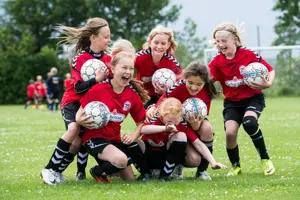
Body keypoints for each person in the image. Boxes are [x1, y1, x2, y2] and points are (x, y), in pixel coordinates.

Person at [40, 17, 111, 185]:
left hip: (90, 104)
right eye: (106, 36)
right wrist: (96, 79)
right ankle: (49, 169)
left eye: (110, 36)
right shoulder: (79, 59)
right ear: (94, 38)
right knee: (73, 129)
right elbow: (79, 89)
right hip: (73, 102)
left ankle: (57, 172)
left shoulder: (109, 59)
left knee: (77, 144)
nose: (109, 40)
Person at [208, 22, 276, 176]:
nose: (220, 44)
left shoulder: (249, 54)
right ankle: (236, 166)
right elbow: (206, 79)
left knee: (249, 123)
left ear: (235, 40)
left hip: (253, 98)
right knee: (230, 133)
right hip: (232, 103)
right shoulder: (216, 62)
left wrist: (268, 83)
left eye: (224, 41)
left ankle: (265, 160)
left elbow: (270, 69)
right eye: (217, 42)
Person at [77, 51, 152, 183]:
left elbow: (141, 121)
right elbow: (80, 112)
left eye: (131, 68)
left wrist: (134, 135)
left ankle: (111, 169)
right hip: (95, 139)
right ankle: (97, 171)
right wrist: (78, 119)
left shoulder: (132, 95)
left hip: (115, 139)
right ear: (113, 69)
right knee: (121, 160)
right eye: (124, 67)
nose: (128, 72)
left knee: (130, 179)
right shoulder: (98, 89)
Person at [147, 61, 222, 180]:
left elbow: (200, 119)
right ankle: (175, 164)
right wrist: (151, 108)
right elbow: (161, 105)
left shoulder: (207, 92)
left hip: (191, 125)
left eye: (199, 84)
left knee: (207, 128)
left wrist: (196, 125)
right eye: (190, 82)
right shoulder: (177, 88)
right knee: (193, 159)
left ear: (205, 83)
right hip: (176, 126)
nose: (194, 87)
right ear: (185, 78)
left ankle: (202, 171)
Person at [141, 97, 226, 181]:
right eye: (169, 121)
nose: (172, 124)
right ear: (162, 117)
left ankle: (165, 176)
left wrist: (213, 162)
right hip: (149, 154)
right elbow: (143, 129)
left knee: (181, 136)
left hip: (164, 156)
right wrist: (164, 128)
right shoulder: (155, 118)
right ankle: (145, 173)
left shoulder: (181, 124)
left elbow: (198, 144)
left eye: (176, 121)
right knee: (135, 142)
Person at [135, 26, 183, 108]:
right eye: (156, 42)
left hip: (164, 96)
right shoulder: (139, 57)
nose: (159, 46)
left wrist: (167, 90)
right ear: (150, 42)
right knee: (148, 117)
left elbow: (180, 81)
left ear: (168, 45)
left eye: (163, 43)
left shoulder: (172, 62)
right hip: (143, 95)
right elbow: (126, 66)